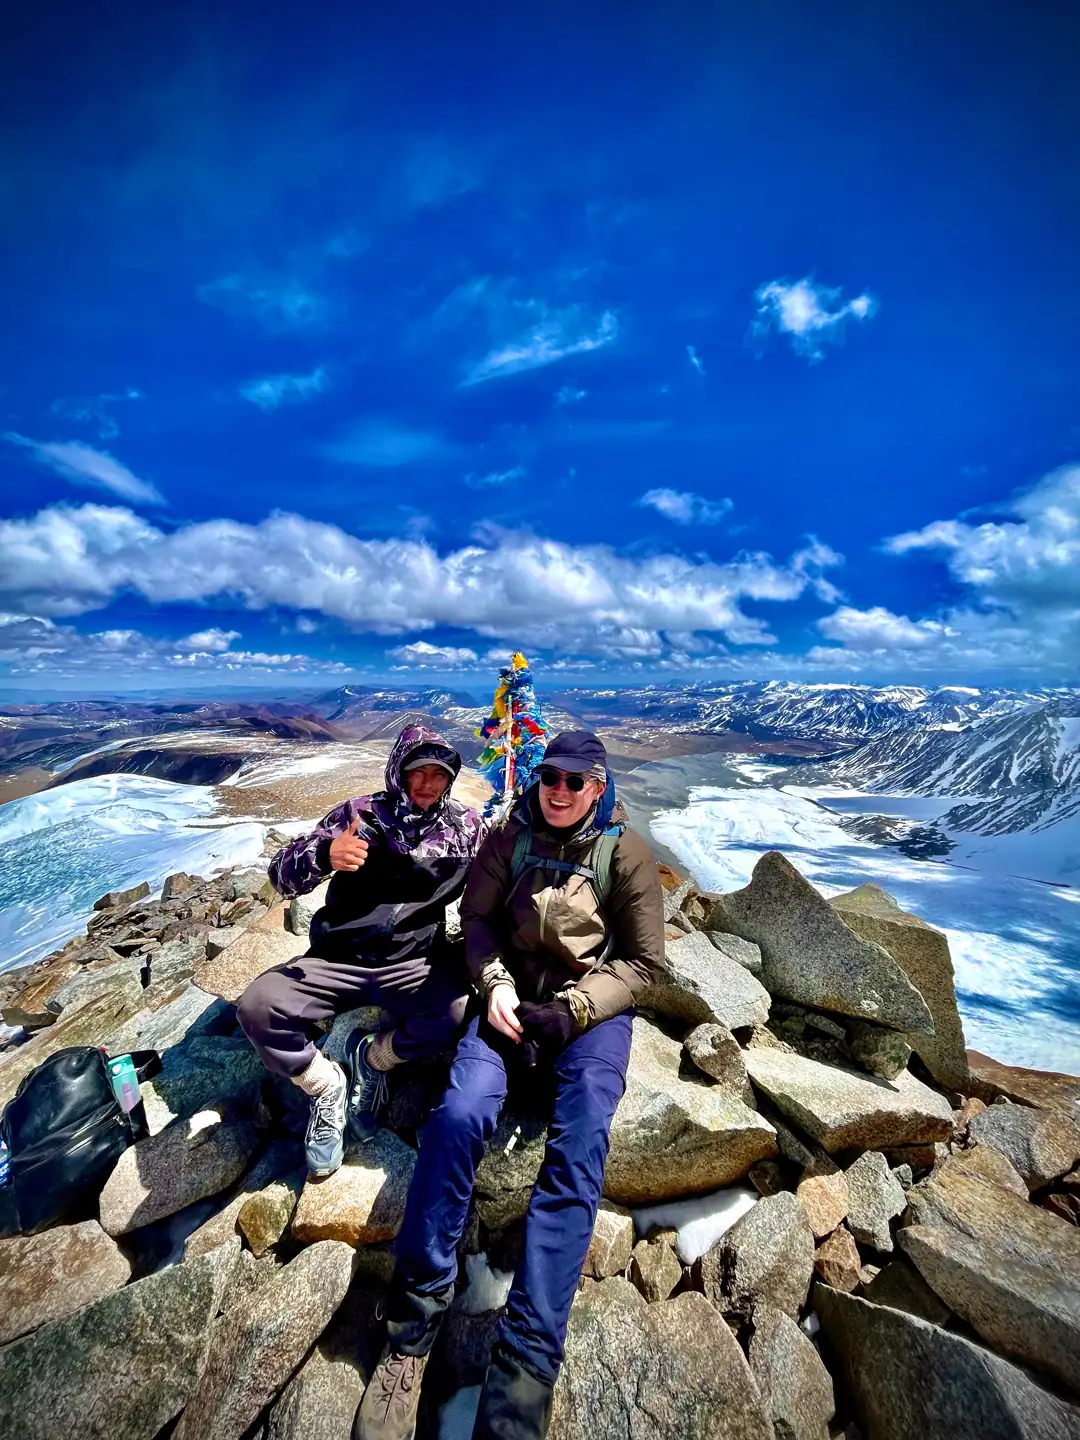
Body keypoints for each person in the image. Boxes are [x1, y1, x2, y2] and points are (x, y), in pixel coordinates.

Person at [355, 730, 665, 1440]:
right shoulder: (509, 837)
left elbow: (645, 964)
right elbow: (479, 920)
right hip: (509, 1001)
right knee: (459, 1115)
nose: (558, 790)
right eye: (549, 776)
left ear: (598, 786)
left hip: (587, 1015)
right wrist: (492, 982)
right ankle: (411, 1331)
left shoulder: (626, 855)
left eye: (574, 781)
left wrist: (578, 1010)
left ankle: (525, 1368)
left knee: (582, 1135)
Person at [237, 724, 485, 1177]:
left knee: (454, 1011)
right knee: (257, 1007)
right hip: (336, 961)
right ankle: (325, 1085)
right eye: (418, 772)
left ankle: (371, 1059)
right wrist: (324, 854)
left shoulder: (465, 830)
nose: (428, 783)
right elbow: (280, 876)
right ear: (398, 772)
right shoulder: (358, 814)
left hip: (411, 965)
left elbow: (501, 874)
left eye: (439, 773)